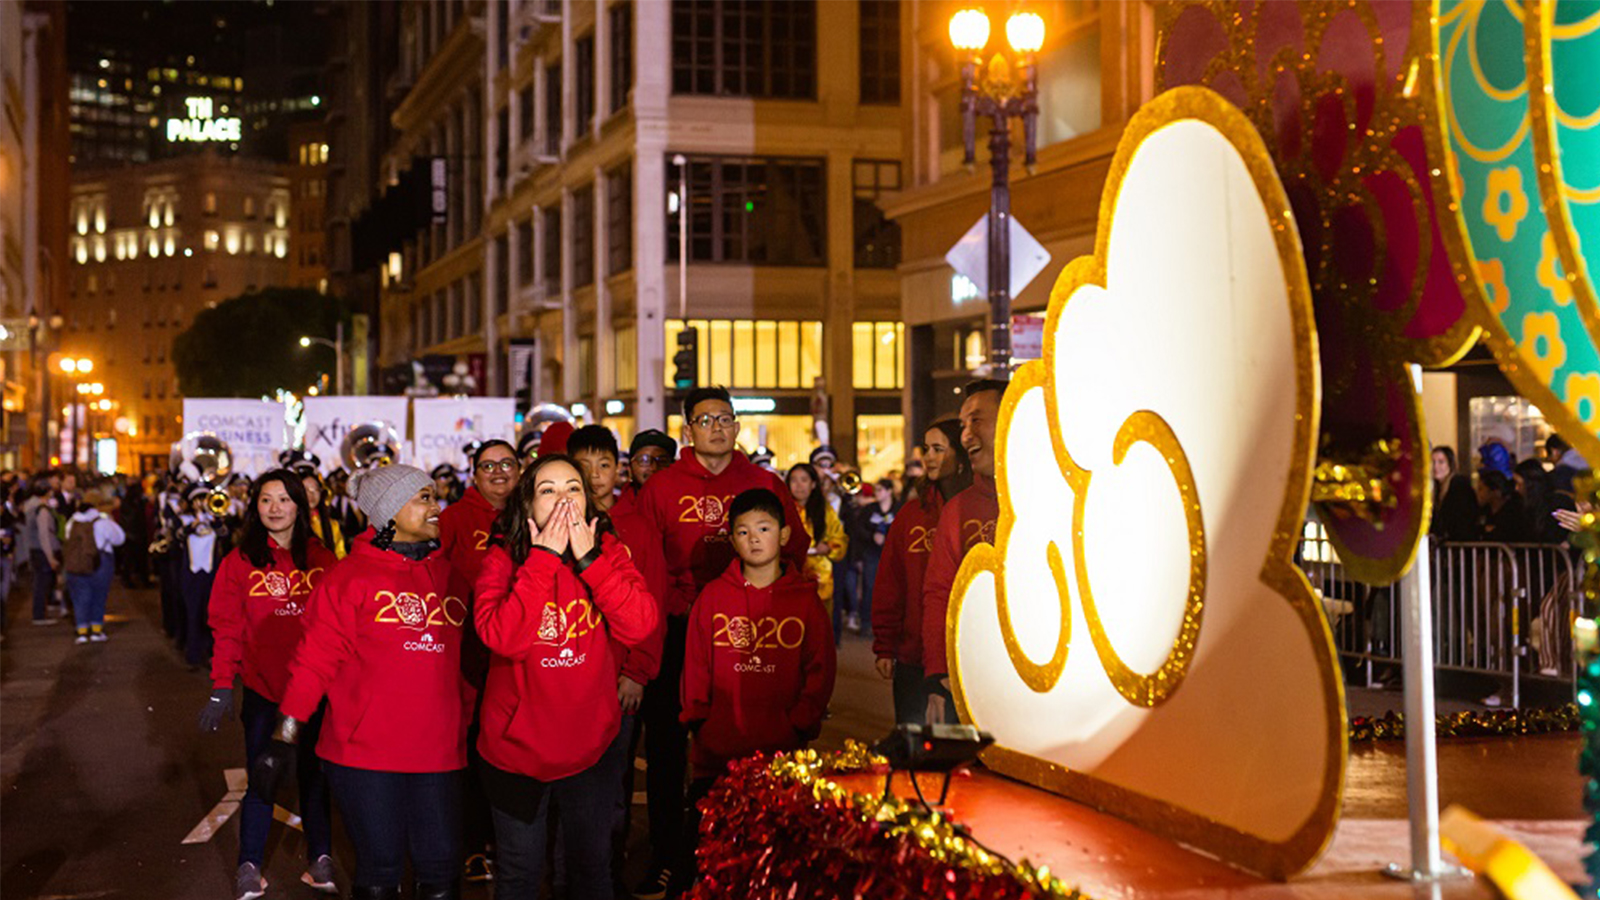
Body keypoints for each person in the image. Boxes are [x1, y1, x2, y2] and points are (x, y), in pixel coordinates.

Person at [254, 465, 472, 900]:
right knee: (380, 867)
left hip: (440, 751)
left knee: (442, 867)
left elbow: (471, 663)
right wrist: (284, 736)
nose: (436, 507)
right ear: (389, 513)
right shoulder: (348, 578)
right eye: (423, 498)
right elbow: (314, 663)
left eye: (434, 496)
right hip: (366, 755)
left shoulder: (453, 576)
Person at [631, 386, 809, 900]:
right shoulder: (662, 488)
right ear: (688, 429)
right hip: (678, 630)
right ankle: (669, 858)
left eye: (726, 418)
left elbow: (795, 551)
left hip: (749, 634)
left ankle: (753, 859)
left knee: (746, 746)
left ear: (736, 426)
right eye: (705, 419)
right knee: (667, 751)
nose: (717, 427)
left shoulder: (764, 483)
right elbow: (644, 565)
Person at [474, 453, 660, 900]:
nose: (562, 500)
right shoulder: (501, 559)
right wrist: (542, 559)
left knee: (590, 869)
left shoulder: (608, 551)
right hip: (516, 751)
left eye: (572, 488)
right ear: (526, 506)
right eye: (548, 490)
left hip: (590, 746)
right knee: (519, 872)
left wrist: (591, 560)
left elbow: (640, 624)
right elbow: (503, 638)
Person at [679, 488, 836, 887]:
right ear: (731, 539)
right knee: (712, 867)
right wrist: (700, 722)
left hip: (781, 756)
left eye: (764, 528)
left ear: (783, 534)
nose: (754, 538)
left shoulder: (804, 601)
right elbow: (695, 666)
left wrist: (799, 724)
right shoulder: (714, 597)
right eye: (744, 531)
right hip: (717, 757)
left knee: (775, 867)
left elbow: (820, 671)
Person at [199, 470, 340, 900]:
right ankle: (249, 864)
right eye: (265, 500)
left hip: (315, 694)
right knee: (263, 777)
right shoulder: (238, 561)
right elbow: (225, 628)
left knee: (315, 778)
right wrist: (222, 686)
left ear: (301, 505)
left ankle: (321, 858)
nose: (275, 508)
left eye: (284, 499)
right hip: (263, 694)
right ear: (254, 506)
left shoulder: (322, 559)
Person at [570, 425, 670, 893]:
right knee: (566, 788)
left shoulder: (639, 527)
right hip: (567, 681)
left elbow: (654, 606)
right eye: (583, 466)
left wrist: (637, 672)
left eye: (604, 465)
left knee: (613, 789)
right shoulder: (551, 522)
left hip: (618, 681)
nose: (594, 477)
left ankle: (606, 877)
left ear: (620, 470)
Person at [435, 439, 518, 883]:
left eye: (507, 464)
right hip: (466, 656)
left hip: (519, 657)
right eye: (489, 466)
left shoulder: (531, 514)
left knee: (510, 752)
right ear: (474, 473)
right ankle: (472, 844)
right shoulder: (454, 518)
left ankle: (507, 844)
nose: (499, 472)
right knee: (469, 751)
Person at [873, 420, 971, 724]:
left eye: (938, 449)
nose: (928, 457)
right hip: (913, 655)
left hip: (969, 657)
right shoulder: (911, 515)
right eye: (926, 449)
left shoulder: (977, 512)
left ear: (961, 456)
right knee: (915, 750)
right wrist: (885, 645)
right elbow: (890, 582)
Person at [923, 379, 1007, 725]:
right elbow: (939, 592)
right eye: (963, 425)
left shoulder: (1051, 494)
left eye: (976, 421)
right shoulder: (959, 510)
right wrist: (938, 674)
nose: (966, 435)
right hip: (975, 682)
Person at [785, 462, 847, 621]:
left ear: (813, 484)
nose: (799, 485)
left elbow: (840, 538)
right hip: (789, 575)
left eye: (804, 480)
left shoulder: (825, 510)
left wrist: (828, 547)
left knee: (819, 626)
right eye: (794, 480)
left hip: (820, 578)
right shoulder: (782, 510)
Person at [179, 485, 232, 667]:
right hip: (191, 573)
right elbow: (178, 535)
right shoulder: (184, 519)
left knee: (212, 615)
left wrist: (213, 518)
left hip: (211, 573)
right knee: (192, 613)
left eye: (204, 499)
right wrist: (192, 525)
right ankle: (193, 654)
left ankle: (212, 653)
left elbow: (224, 533)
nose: (201, 503)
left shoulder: (215, 519)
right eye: (197, 500)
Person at [62, 497, 126, 644]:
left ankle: (82, 632)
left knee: (79, 597)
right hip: (101, 561)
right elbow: (119, 539)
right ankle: (97, 630)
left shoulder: (71, 523)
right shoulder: (103, 522)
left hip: (76, 563)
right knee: (99, 596)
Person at [846, 478, 897, 636]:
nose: (877, 493)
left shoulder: (898, 508)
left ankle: (889, 625)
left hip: (892, 553)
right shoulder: (869, 510)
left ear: (889, 491)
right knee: (869, 588)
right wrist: (871, 536)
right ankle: (866, 623)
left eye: (880, 490)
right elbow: (858, 529)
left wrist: (888, 537)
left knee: (892, 589)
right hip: (872, 553)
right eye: (876, 490)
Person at [22, 482, 60, 625]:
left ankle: (39, 613)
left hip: (34, 548)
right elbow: (44, 535)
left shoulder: (30, 507)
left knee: (40, 582)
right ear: (47, 492)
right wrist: (50, 557)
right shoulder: (42, 510)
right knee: (42, 583)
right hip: (41, 550)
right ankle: (39, 615)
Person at [616, 430, 676, 515]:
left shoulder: (686, 509)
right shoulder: (615, 513)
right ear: (630, 468)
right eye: (644, 460)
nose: (653, 467)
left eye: (662, 461)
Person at [1430, 446, 1479, 542]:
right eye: (1432, 462)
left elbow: (1463, 518)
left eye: (1441, 462)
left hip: (1461, 543)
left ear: (1450, 464)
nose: (1436, 466)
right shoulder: (1435, 489)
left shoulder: (1459, 485)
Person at [299, 469, 347, 559]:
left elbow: (340, 556)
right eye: (305, 489)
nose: (311, 494)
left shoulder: (332, 525)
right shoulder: (288, 524)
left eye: (315, 489)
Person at [117, 480, 155, 588]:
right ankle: (131, 579)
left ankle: (140, 579)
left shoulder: (133, 502)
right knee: (131, 560)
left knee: (138, 560)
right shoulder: (132, 503)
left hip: (136, 535)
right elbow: (133, 518)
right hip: (133, 535)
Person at [1476, 468, 1530, 543]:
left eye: (1481, 489)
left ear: (1494, 491)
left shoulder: (1513, 512)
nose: (1478, 494)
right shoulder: (1483, 512)